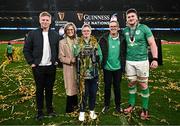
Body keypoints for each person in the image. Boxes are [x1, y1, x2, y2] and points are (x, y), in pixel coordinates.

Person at [23, 11, 61, 120]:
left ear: (50, 21)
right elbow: (26, 50)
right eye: (43, 20)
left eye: (47, 20)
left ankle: (50, 109)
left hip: (51, 67)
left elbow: (59, 50)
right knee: (39, 90)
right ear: (40, 20)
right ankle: (39, 111)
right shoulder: (32, 34)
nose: (45, 22)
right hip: (38, 67)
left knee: (49, 89)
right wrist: (31, 62)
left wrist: (56, 61)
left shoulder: (55, 35)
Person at [123, 8, 158, 120]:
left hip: (142, 61)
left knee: (143, 85)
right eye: (128, 17)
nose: (131, 18)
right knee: (131, 83)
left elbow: (152, 43)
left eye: (132, 16)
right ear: (126, 19)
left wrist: (155, 59)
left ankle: (144, 108)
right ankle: (131, 105)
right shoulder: (125, 30)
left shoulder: (144, 28)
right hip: (129, 62)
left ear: (137, 17)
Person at [98, 19, 126, 114]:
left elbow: (125, 52)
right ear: (109, 28)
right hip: (107, 68)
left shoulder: (122, 38)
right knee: (107, 87)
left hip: (118, 68)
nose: (113, 28)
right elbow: (98, 51)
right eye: (111, 26)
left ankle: (118, 106)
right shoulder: (103, 38)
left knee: (117, 87)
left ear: (118, 28)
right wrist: (100, 62)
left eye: (115, 26)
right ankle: (106, 105)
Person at [76, 24, 99, 121]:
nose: (86, 32)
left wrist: (96, 56)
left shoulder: (95, 42)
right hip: (82, 73)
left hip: (93, 73)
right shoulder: (78, 42)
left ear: (90, 32)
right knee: (83, 93)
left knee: (93, 93)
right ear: (82, 32)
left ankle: (91, 110)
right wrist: (80, 53)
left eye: (87, 31)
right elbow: (74, 54)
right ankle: (81, 111)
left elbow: (100, 56)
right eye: (84, 31)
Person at [58, 22, 78, 114]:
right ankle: (69, 109)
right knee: (70, 87)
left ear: (74, 30)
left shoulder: (78, 40)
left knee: (78, 86)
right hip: (69, 67)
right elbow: (61, 57)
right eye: (68, 30)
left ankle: (76, 105)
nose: (70, 31)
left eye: (72, 29)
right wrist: (70, 60)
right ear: (65, 31)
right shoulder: (62, 42)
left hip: (78, 67)